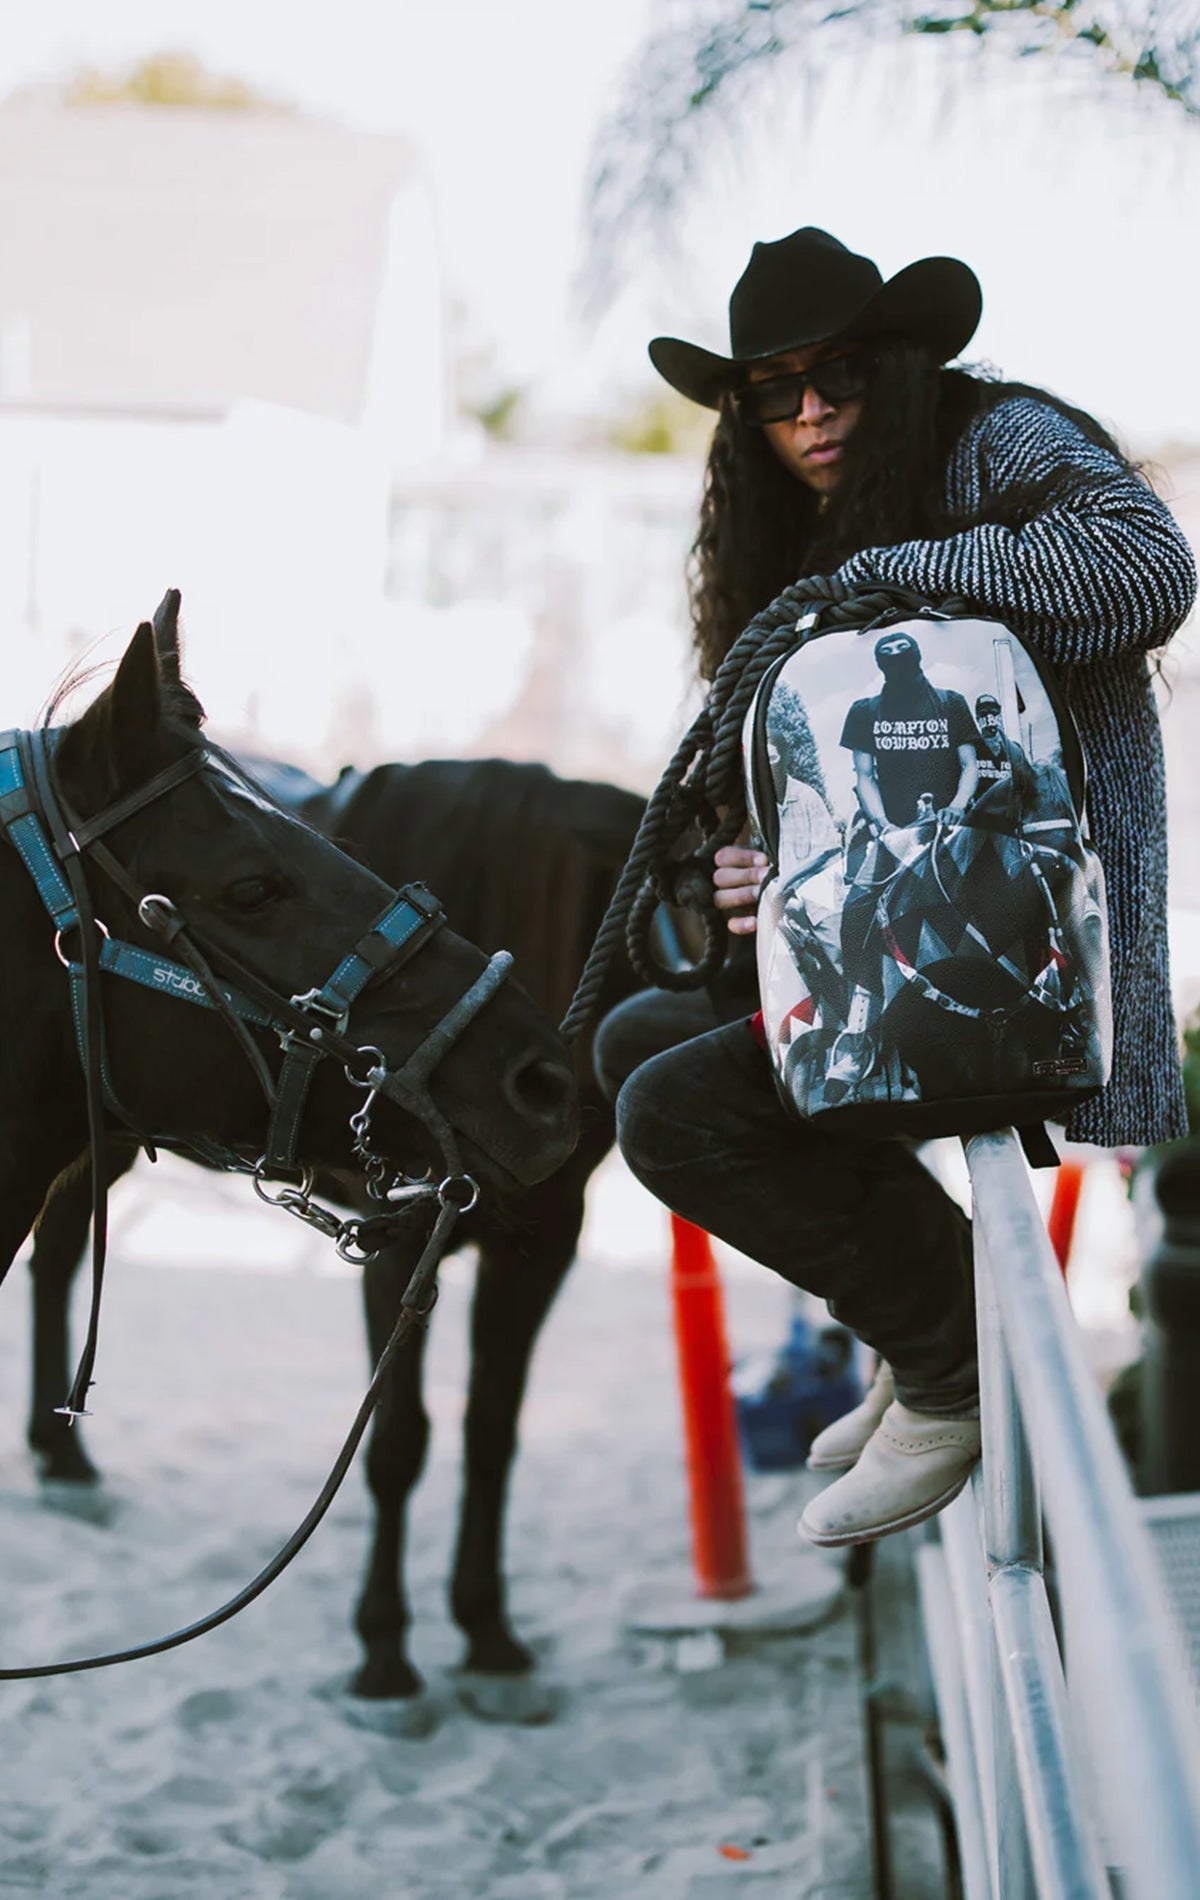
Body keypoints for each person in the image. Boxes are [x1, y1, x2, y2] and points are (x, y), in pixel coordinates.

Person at [600, 225, 1196, 1547]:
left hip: (1027, 954)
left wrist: (893, 574)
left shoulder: (997, 444)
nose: (810, 413)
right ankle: (932, 1322)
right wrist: (750, 863)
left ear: (902, 369)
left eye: (842, 377)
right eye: (774, 391)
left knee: (673, 1114)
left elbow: (1148, 565)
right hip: (897, 956)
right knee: (636, 1036)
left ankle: (951, 1369)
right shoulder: (803, 525)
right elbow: (811, 786)